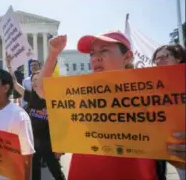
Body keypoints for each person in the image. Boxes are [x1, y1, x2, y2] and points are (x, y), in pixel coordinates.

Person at [34, 31, 183, 180]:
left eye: (104, 50)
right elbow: (41, 90)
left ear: (127, 57)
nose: (95, 58)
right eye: (92, 53)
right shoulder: (82, 90)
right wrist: (53, 54)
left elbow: (175, 154)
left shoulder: (153, 94)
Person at [6, 56, 66, 180]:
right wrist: (10, 66)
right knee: (34, 173)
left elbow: (62, 125)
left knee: (56, 172)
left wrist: (60, 146)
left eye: (38, 80)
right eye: (33, 80)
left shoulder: (53, 100)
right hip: (33, 144)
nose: (34, 83)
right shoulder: (30, 96)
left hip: (49, 144)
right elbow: (15, 84)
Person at [152, 44, 186, 180]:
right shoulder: (157, 86)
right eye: (156, 59)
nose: (159, 61)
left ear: (178, 58)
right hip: (175, 149)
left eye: (164, 57)